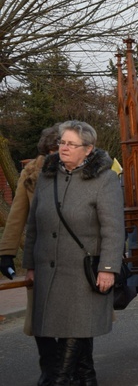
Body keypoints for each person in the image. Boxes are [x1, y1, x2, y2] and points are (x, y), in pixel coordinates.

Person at [23, 120, 125, 385]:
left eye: (71, 144)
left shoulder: (104, 179)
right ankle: (86, 379)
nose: (63, 148)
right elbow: (33, 223)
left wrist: (108, 268)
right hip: (48, 270)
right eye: (62, 142)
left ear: (88, 149)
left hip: (83, 272)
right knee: (69, 343)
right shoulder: (47, 175)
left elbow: (113, 229)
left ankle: (58, 380)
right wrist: (29, 265)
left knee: (75, 331)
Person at [0, 126, 59, 384]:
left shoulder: (81, 171)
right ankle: (49, 367)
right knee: (40, 316)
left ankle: (79, 367)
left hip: (74, 256)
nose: (59, 153)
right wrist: (6, 252)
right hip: (41, 256)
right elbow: (16, 216)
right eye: (53, 149)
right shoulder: (31, 174)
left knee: (77, 316)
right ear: (46, 150)